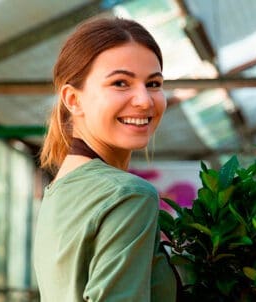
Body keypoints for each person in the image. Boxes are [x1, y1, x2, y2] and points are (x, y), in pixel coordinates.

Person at [33, 17, 177, 301]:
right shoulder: (127, 194)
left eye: (153, 83)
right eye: (121, 83)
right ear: (73, 100)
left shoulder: (59, 192)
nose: (144, 100)